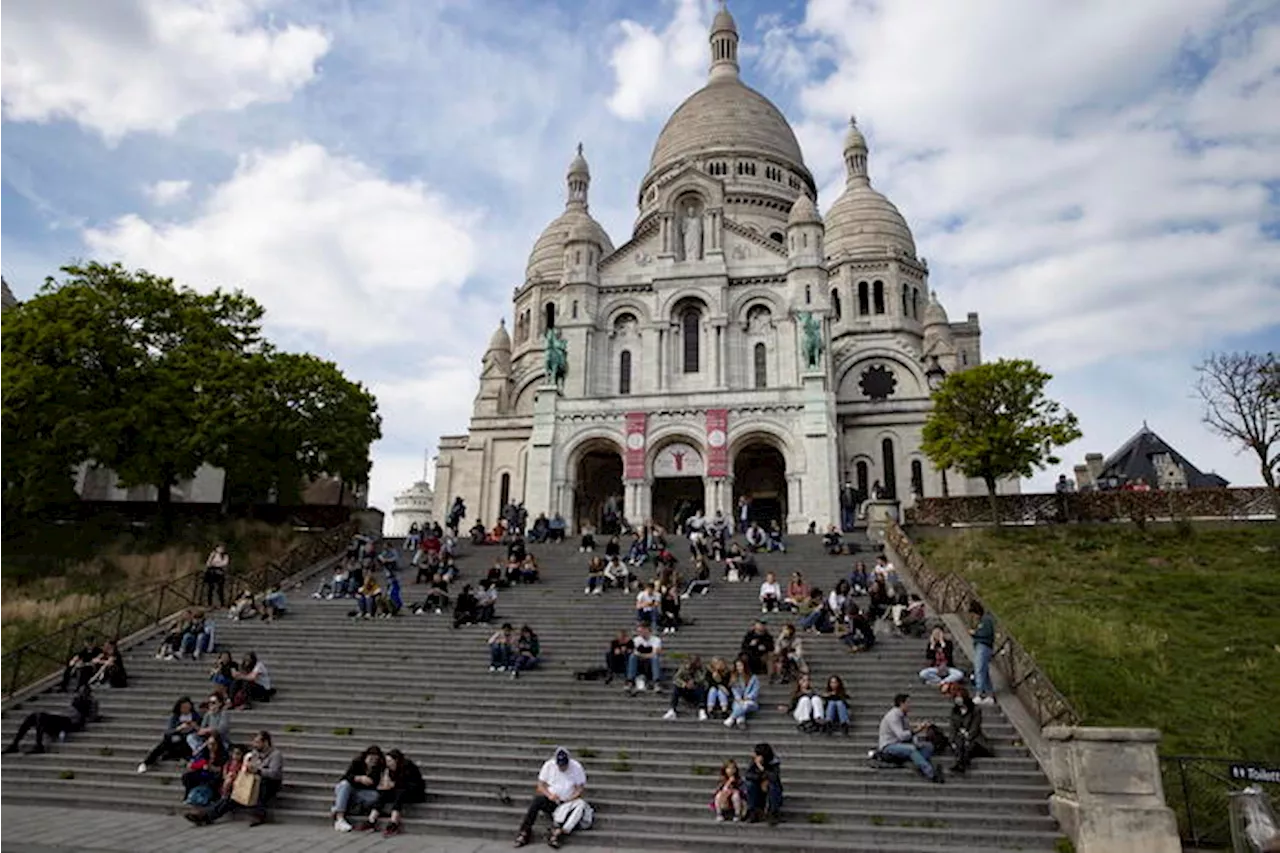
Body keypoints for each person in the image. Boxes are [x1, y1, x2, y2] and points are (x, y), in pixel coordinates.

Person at [187, 730, 284, 826]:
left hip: (270, 782)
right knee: (233, 796)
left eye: (258, 742)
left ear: (265, 742)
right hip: (252, 780)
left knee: (262, 783)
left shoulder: (275, 755)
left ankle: (259, 814)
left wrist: (258, 771)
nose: (255, 745)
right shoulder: (255, 753)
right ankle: (207, 816)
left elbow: (274, 773)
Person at [515, 747, 592, 849]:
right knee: (537, 801)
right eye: (560, 765)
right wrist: (549, 795)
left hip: (568, 801)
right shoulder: (548, 765)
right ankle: (524, 832)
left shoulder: (576, 767)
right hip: (552, 800)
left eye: (564, 765)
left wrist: (571, 797)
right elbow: (540, 786)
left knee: (580, 804)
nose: (562, 767)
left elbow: (580, 788)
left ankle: (557, 833)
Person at [2, 686, 97, 754]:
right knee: (34, 716)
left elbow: (92, 717)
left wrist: (82, 719)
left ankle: (39, 746)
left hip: (71, 723)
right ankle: (15, 744)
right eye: (80, 691)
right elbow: (68, 710)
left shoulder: (92, 702)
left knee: (40, 716)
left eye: (84, 691)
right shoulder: (76, 699)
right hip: (63, 719)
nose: (81, 693)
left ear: (88, 692)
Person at [877, 693, 943, 783]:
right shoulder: (893, 716)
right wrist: (917, 730)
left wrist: (916, 740)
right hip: (889, 746)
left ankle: (917, 763)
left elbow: (909, 733)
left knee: (928, 746)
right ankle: (931, 773)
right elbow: (901, 735)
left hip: (901, 744)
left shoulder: (903, 716)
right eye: (908, 703)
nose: (910, 705)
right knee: (911, 749)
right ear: (901, 703)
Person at [361, 748, 426, 836]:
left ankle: (394, 822)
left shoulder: (408, 767)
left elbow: (412, 785)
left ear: (396, 760)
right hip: (398, 790)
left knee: (400, 792)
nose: (388, 763)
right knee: (383, 794)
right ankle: (371, 820)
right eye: (387, 761)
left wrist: (394, 785)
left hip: (414, 793)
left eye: (390, 761)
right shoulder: (388, 769)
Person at [138, 696, 202, 772]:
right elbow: (169, 730)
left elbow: (200, 728)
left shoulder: (196, 716)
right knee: (164, 743)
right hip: (177, 737)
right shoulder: (175, 716)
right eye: (184, 707)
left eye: (188, 707)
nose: (186, 709)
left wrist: (193, 726)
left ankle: (174, 756)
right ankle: (146, 762)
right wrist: (178, 728)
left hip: (189, 738)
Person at [331, 745, 385, 832]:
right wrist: (359, 778)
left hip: (362, 792)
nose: (373, 762)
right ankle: (340, 817)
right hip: (349, 788)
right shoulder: (357, 763)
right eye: (371, 759)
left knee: (375, 796)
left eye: (375, 760)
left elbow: (376, 784)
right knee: (344, 786)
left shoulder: (378, 768)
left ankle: (338, 806)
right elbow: (346, 777)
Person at [949, 689, 993, 774]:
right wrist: (952, 740)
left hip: (974, 738)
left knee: (967, 746)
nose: (957, 700)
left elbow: (975, 726)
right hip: (960, 737)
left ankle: (960, 763)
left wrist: (968, 736)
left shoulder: (975, 710)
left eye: (959, 698)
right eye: (956, 698)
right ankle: (961, 763)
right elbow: (952, 728)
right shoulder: (954, 711)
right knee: (959, 742)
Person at [744, 742, 782, 825]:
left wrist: (761, 768)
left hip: (772, 787)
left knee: (773, 787)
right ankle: (753, 812)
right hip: (758, 786)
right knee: (750, 785)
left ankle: (773, 813)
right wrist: (760, 779)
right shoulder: (753, 762)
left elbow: (774, 777)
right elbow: (748, 775)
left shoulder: (774, 762)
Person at [663, 654, 707, 720]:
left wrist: (694, 681)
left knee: (702, 687)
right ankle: (672, 710)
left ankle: (702, 710)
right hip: (685, 689)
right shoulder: (683, 668)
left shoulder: (702, 669)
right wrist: (684, 684)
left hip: (697, 691)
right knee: (676, 687)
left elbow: (702, 679)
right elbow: (676, 678)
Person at [969, 601, 997, 704]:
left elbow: (987, 633)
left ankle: (979, 693)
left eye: (973, 614)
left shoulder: (986, 620)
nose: (973, 617)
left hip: (983, 646)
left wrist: (975, 633)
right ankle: (990, 694)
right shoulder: (983, 620)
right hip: (980, 646)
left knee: (979, 669)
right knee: (984, 671)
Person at [725, 656, 760, 729]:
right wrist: (739, 699)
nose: (739, 668)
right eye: (737, 666)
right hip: (738, 701)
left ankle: (732, 717)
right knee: (738, 704)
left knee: (745, 705)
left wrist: (747, 698)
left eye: (740, 666)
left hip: (750, 701)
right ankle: (740, 721)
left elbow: (755, 691)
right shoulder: (734, 678)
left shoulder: (753, 678)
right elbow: (735, 692)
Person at [626, 623, 662, 692]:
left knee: (655, 658)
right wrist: (641, 655)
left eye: (641, 631)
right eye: (639, 631)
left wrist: (641, 655)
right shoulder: (636, 640)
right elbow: (634, 652)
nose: (640, 633)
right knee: (632, 657)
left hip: (650, 661)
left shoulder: (656, 640)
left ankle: (656, 682)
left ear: (647, 630)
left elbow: (654, 653)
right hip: (639, 661)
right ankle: (629, 681)